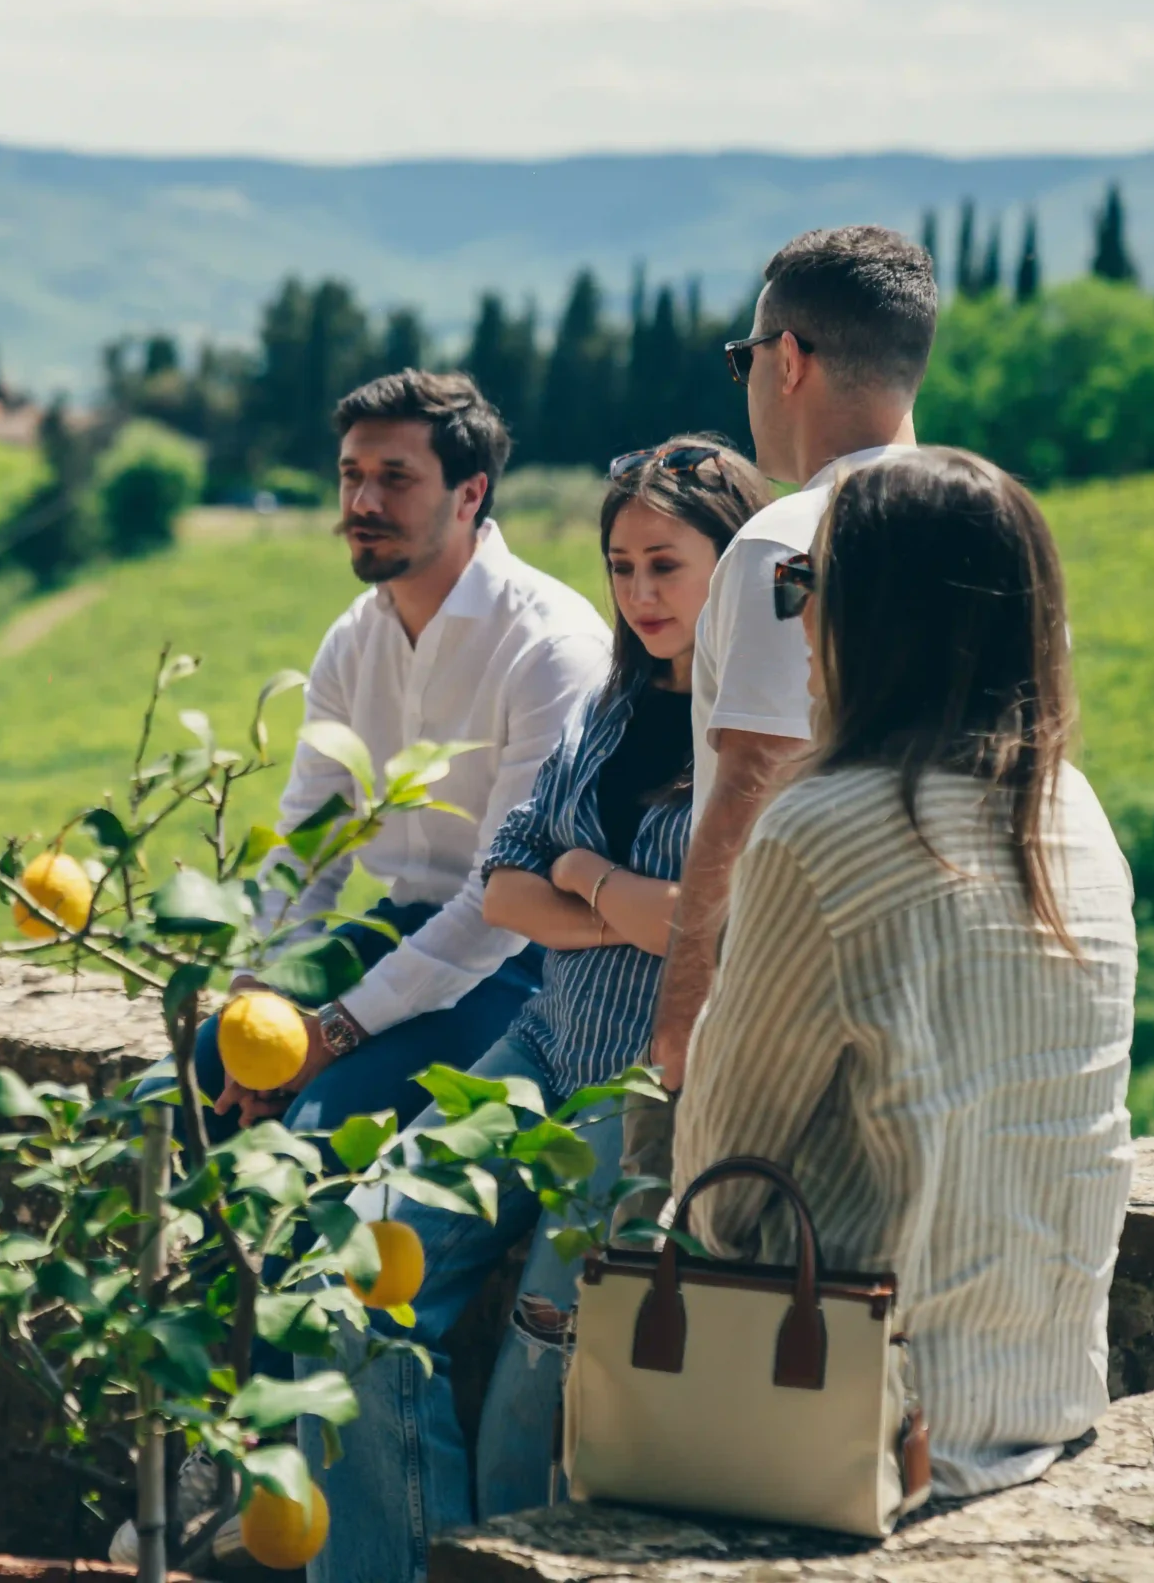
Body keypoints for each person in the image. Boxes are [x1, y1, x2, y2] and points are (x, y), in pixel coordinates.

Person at [303, 436, 772, 1583]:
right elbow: (509, 886)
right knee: (349, 1273)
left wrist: (588, 879)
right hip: (539, 1051)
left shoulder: (759, 745)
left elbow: (733, 926)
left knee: (540, 1384)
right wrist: (636, 902)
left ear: (738, 567)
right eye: (621, 568)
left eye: (666, 565)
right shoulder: (608, 710)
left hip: (650, 1094)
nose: (641, 595)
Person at [675, 448, 1137, 1498]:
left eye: (805, 584)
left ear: (875, 613)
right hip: (1046, 1404)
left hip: (868, 1427)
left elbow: (722, 1182)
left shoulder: (819, 828)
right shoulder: (1075, 819)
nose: (792, 619)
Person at [184, 369, 610, 1140]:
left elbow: (495, 908)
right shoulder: (354, 637)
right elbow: (307, 849)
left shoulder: (552, 647)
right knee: (186, 1081)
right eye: (351, 476)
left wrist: (332, 1032)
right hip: (394, 932)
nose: (363, 504)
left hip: (517, 965)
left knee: (320, 1127)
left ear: (470, 493)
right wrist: (255, 1000)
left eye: (395, 478)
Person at [648, 226, 939, 1114]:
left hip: (790, 1001)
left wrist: (684, 1009)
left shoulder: (784, 544)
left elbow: (750, 784)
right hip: (938, 997)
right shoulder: (988, 530)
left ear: (786, 360)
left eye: (743, 359)